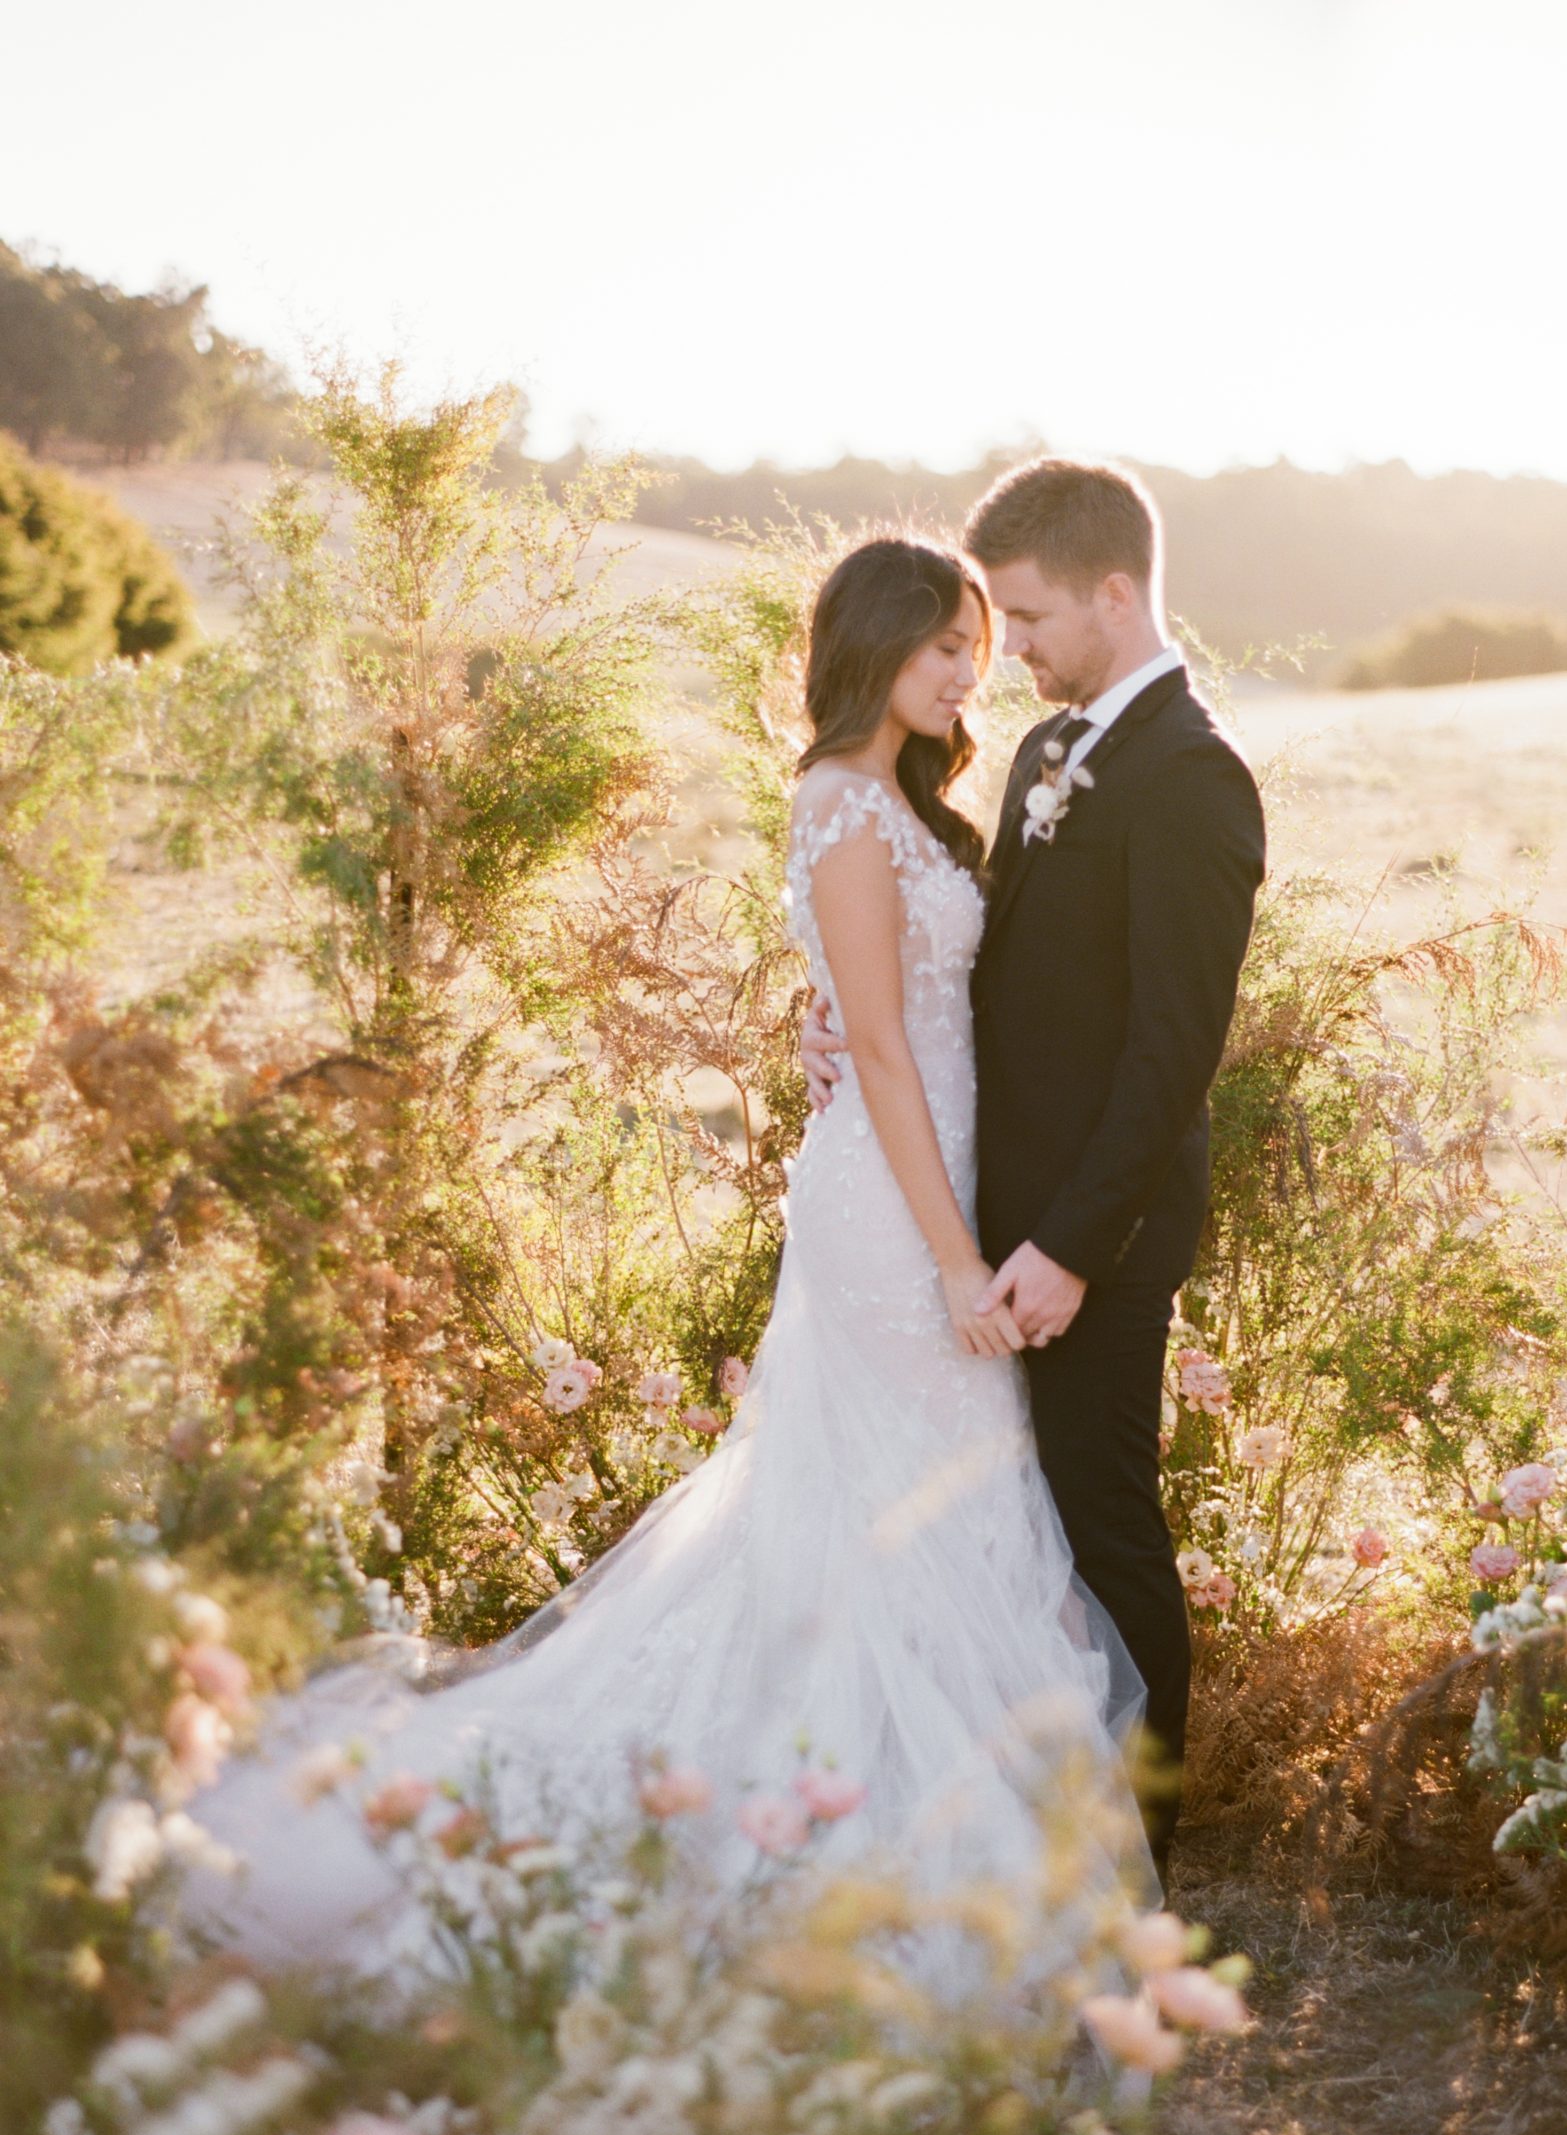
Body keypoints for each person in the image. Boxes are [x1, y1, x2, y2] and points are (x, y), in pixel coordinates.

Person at [185, 536, 1152, 1973]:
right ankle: (848, 1824)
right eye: (946, 643)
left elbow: (897, 1012)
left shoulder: (909, 803)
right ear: (875, 646)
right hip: (892, 1212)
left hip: (936, 1170)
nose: (971, 670)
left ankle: (887, 1811)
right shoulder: (839, 803)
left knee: (925, 1493)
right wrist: (955, 1259)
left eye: (977, 647)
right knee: (908, 1495)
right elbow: (880, 1047)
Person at [804, 461, 1265, 1872]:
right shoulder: (1046, 756)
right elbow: (991, 974)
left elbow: (1169, 1054)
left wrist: (1066, 1246)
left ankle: (1144, 1853)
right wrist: (849, 1019)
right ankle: (1014, 1831)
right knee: (1025, 1537)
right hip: (984, 1217)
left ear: (1117, 595)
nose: (1017, 654)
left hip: (1092, 1245)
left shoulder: (1194, 779)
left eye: (1032, 618)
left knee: (1105, 1531)